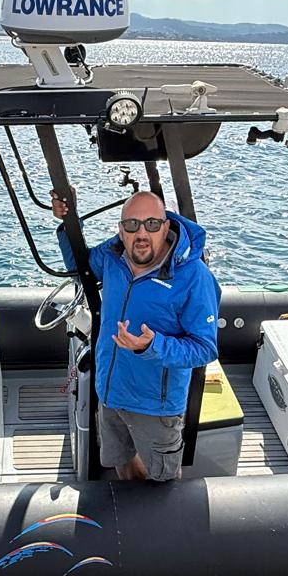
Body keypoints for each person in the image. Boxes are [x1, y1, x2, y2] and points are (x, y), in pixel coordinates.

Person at [53, 189, 221, 482]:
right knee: (123, 465)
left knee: (162, 479)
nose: (141, 233)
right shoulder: (112, 255)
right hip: (110, 392)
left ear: (166, 227)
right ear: (121, 230)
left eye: (151, 224)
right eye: (132, 225)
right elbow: (81, 269)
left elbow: (204, 348)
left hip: (155, 406)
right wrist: (69, 223)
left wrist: (152, 345)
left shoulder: (194, 276)